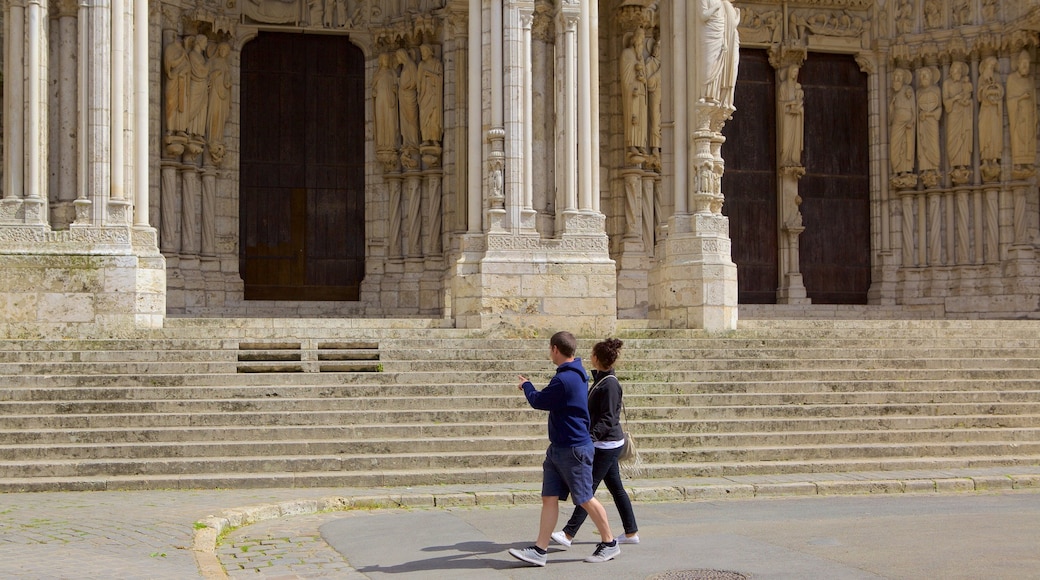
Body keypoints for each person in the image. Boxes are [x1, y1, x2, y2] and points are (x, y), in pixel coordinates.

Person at [508, 331, 620, 567]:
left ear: (555, 350)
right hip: (559, 447)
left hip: (573, 449)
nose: (550, 352)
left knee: (585, 498)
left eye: (550, 349)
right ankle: (540, 549)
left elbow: (539, 401)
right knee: (549, 497)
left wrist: (526, 385)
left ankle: (609, 543)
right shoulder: (575, 374)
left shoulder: (565, 379)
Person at [550, 337, 640, 549]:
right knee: (616, 488)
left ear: (597, 358)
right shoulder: (602, 379)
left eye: (592, 354)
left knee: (586, 489)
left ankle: (568, 533)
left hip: (605, 445)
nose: (589, 356)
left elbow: (608, 419)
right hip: (606, 443)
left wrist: (590, 439)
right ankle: (631, 531)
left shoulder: (609, 385)